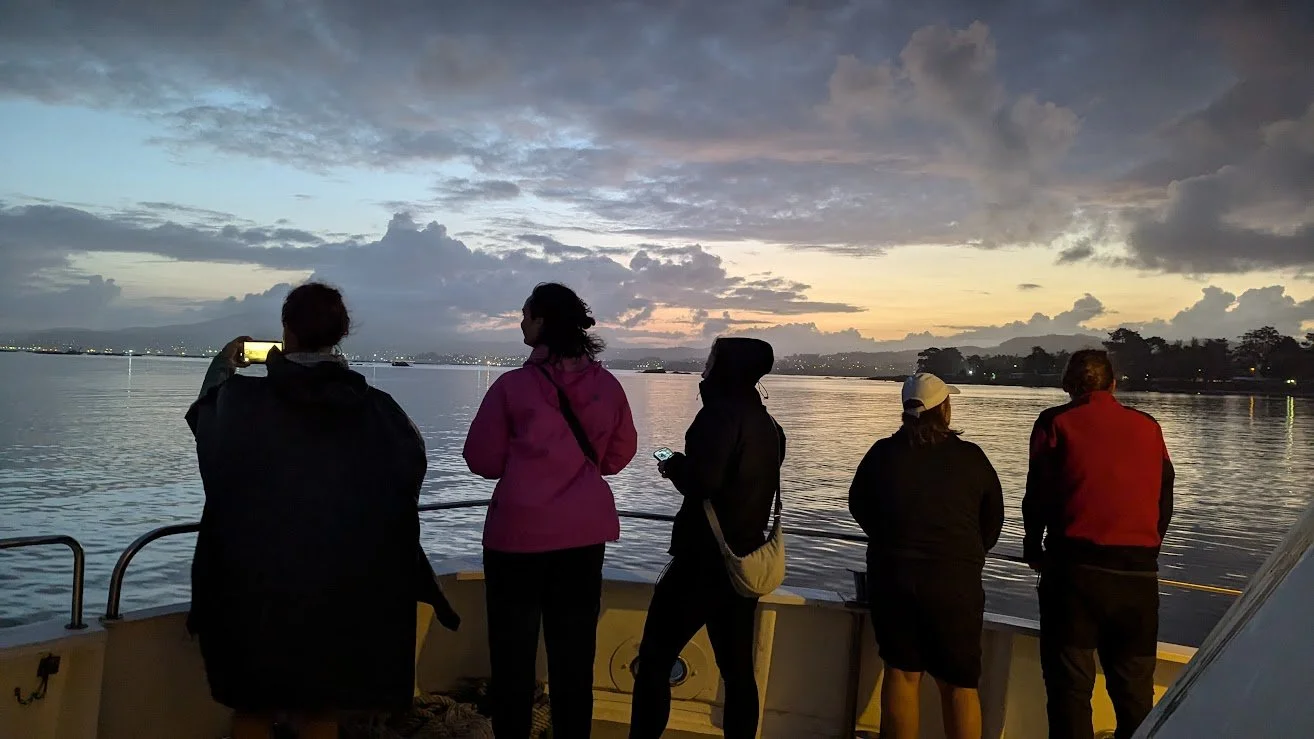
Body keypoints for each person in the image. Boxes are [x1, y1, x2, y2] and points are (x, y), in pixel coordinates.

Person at [186, 282, 458, 739]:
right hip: (342, 592)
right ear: (341, 334)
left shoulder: (240, 405)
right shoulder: (381, 412)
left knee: (252, 707)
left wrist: (221, 369)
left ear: (285, 330)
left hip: (253, 591)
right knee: (321, 713)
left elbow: (207, 428)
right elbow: (406, 481)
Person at [463, 282, 638, 739]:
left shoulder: (513, 387)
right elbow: (619, 458)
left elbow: (481, 460)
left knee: (513, 660)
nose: (521, 323)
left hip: (517, 540)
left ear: (542, 323)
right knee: (574, 660)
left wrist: (526, 465)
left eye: (526, 315)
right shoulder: (609, 387)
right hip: (583, 540)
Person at [629, 337, 784, 739]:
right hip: (742, 564)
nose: (704, 369)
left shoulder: (718, 415)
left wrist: (674, 466)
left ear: (726, 368)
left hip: (700, 563)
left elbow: (703, 482)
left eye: (711, 360)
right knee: (737, 674)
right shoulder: (769, 425)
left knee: (654, 661)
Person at [1023, 350, 1174, 739]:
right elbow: (1165, 494)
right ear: (1113, 384)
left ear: (1069, 386)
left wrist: (1033, 545)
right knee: (1135, 694)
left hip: (1074, 577)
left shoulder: (1055, 423)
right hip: (1137, 579)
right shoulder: (1148, 427)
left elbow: (1036, 494)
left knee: (1070, 690)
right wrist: (1148, 547)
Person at [848, 373, 1005, 739]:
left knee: (902, 674)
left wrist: (888, 538)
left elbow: (859, 505)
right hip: (955, 583)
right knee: (959, 684)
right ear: (945, 408)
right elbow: (992, 520)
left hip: (893, 576)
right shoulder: (971, 458)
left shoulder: (882, 454)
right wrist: (968, 553)